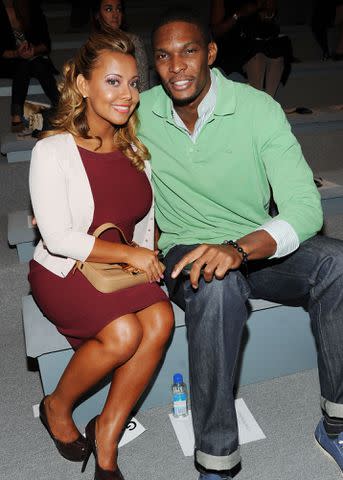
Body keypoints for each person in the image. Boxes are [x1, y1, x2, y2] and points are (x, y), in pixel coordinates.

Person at [137, 8, 343, 479]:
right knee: (216, 285)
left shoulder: (256, 109)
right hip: (186, 248)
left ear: (210, 53)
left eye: (189, 51)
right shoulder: (141, 111)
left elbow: (306, 207)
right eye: (165, 56)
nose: (177, 66)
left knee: (338, 263)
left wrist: (241, 248)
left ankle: (337, 423)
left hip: (253, 243)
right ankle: (217, 460)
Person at [28, 31, 174, 480]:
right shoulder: (52, 150)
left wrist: (146, 254)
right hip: (64, 269)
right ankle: (56, 405)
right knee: (124, 333)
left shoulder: (135, 152)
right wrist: (131, 256)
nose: (126, 94)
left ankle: (107, 431)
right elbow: (57, 237)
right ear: (84, 85)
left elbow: (145, 222)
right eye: (113, 82)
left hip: (117, 268)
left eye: (133, 83)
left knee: (161, 319)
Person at [211, 0, 292, 98]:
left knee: (277, 54)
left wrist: (268, 11)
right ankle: (258, 102)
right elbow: (216, 32)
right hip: (231, 44)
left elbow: (266, 23)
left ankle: (269, 101)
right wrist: (239, 14)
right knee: (256, 57)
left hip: (256, 40)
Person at [0, 0, 59, 131]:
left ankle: (59, 105)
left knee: (36, 63)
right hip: (8, 62)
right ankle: (17, 115)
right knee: (24, 64)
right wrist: (17, 53)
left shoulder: (31, 7)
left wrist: (34, 51)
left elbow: (46, 44)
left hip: (35, 58)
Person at [91, 0, 150, 91]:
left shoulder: (133, 42)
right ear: (97, 15)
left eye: (118, 9)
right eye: (109, 9)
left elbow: (143, 84)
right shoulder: (92, 45)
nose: (115, 14)